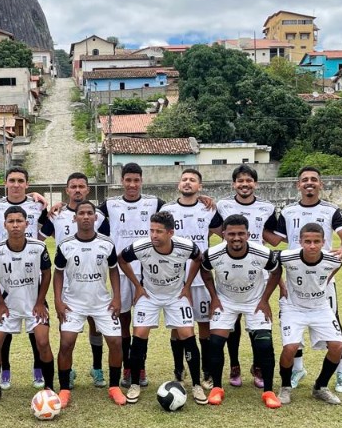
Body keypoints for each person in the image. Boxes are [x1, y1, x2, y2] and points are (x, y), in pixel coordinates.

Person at [274, 166, 342, 394]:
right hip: (293, 277)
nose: (309, 183)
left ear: (321, 184)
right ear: (298, 185)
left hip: (321, 278)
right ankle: (297, 369)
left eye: (314, 180)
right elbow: (276, 239)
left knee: (334, 324)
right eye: (305, 180)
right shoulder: (287, 211)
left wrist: (341, 250)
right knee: (293, 330)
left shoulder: (331, 209)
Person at [118, 211, 206, 406]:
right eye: (151, 230)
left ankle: (197, 385)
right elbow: (121, 259)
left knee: (187, 334)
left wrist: (187, 286)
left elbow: (198, 259)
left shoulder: (186, 247)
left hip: (176, 296)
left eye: (159, 231)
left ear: (170, 233)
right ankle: (134, 384)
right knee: (139, 334)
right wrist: (137, 286)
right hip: (149, 295)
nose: (154, 235)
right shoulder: (141, 247)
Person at [200, 214, 282, 408]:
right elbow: (204, 269)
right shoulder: (212, 253)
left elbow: (277, 271)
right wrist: (214, 298)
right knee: (215, 343)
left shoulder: (262, 253)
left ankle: (269, 391)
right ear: (224, 234)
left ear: (248, 234)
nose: (236, 238)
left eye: (241, 234)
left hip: (254, 302)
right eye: (231, 234)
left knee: (264, 345)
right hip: (226, 302)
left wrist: (264, 300)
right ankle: (217, 388)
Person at [53, 201, 126, 408]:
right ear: (74, 218)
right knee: (66, 344)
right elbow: (58, 273)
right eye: (81, 213)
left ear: (95, 218)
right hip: (73, 303)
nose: (85, 217)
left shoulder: (107, 243)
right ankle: (65, 388)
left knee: (116, 342)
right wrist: (58, 301)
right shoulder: (65, 245)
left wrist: (117, 297)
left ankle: (114, 386)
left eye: (89, 213)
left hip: (101, 302)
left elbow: (113, 270)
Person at [215, 164, 280, 389]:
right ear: (234, 184)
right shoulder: (222, 205)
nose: (244, 184)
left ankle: (258, 365)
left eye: (248, 181)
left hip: (257, 271)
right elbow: (214, 227)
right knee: (232, 322)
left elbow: (275, 239)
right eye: (240, 181)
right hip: (229, 270)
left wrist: (255, 237)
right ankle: (234, 364)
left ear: (255, 184)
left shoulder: (267, 207)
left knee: (256, 322)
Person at [98, 163, 164, 387]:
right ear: (122, 180)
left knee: (142, 322)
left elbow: (180, 209)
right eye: (128, 180)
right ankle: (128, 367)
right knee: (124, 319)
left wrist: (203, 199)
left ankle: (140, 367)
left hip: (147, 273)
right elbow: (82, 212)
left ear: (142, 181)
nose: (132, 184)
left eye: (136, 180)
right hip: (121, 271)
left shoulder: (154, 203)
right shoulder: (110, 204)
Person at [0, 167, 51, 390]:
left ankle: (39, 370)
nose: (15, 184)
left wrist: (49, 206)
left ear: (27, 184)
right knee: (3, 334)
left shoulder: (37, 205)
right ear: (5, 183)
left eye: (20, 180)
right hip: (7, 276)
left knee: (37, 335)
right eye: (11, 180)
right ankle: (4, 371)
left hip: (31, 272)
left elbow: (49, 224)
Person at [161, 168, 223, 391]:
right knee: (179, 327)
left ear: (200, 186)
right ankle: (179, 370)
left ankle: (206, 371)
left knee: (204, 324)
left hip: (202, 277)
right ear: (179, 184)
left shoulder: (209, 209)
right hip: (175, 279)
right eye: (184, 179)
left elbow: (225, 234)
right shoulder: (167, 210)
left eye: (193, 180)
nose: (188, 183)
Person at [49, 172, 109, 387]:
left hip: (92, 280)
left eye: (81, 186)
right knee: (66, 328)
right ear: (66, 190)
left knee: (96, 324)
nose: (77, 190)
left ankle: (97, 368)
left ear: (87, 190)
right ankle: (69, 370)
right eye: (73, 186)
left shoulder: (98, 216)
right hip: (66, 280)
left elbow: (106, 242)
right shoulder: (55, 214)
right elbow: (40, 235)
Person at [277, 223, 342, 405]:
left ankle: (320, 387)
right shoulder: (287, 256)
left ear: (324, 242)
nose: (312, 245)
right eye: (307, 241)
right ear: (300, 242)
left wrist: (324, 283)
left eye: (316, 241)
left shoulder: (334, 259)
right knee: (290, 348)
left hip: (320, 307)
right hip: (293, 307)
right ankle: (285, 387)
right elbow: (272, 265)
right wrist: (282, 285)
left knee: (338, 346)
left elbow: (335, 268)